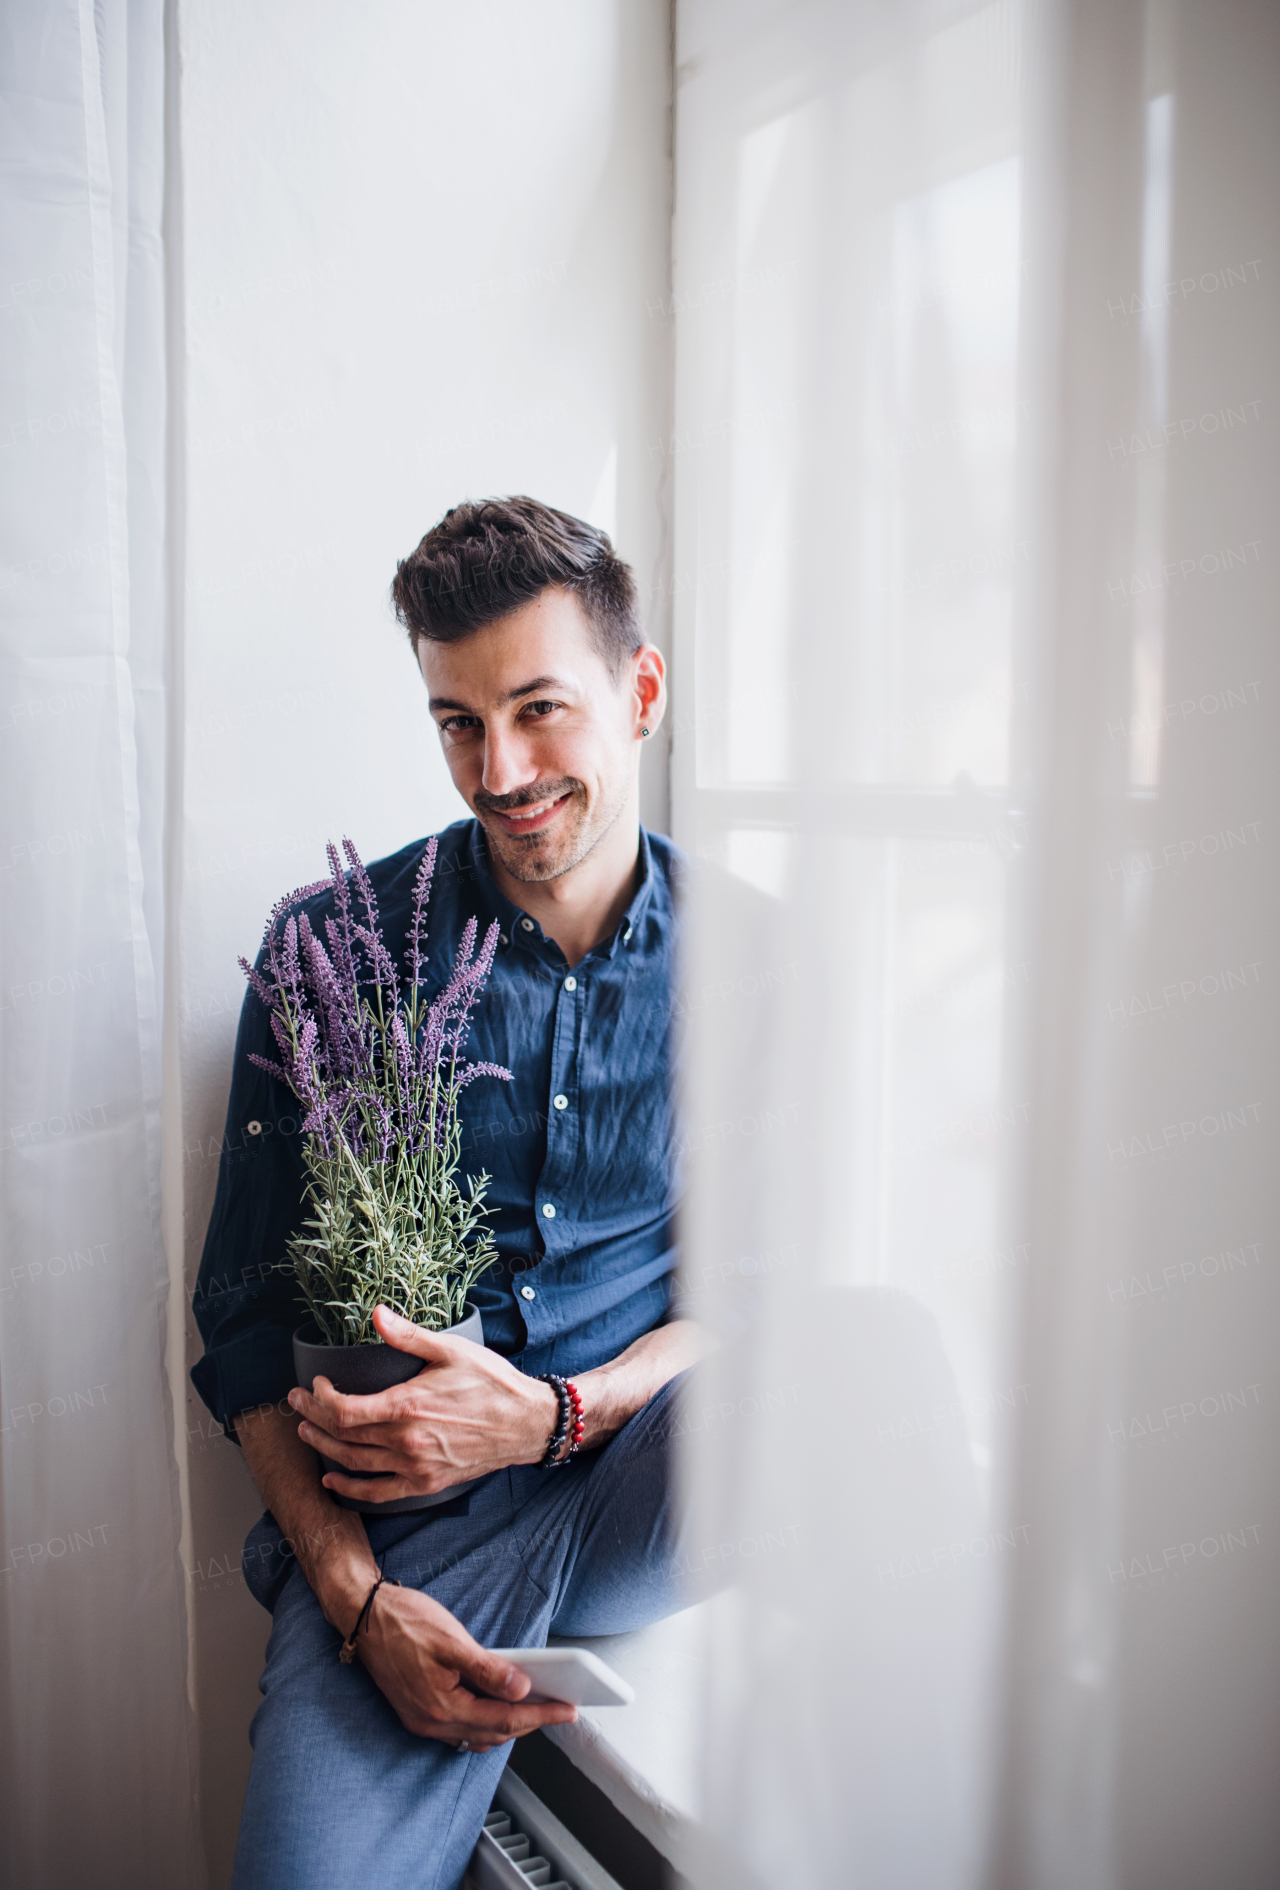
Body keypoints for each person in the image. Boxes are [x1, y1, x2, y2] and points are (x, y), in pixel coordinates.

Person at [191, 497, 701, 1890]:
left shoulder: (754, 959)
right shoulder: (327, 952)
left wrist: (553, 1413)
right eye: (459, 723)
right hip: (403, 1543)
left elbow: (761, 1299)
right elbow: (239, 1330)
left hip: (637, 1477)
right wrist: (355, 1607)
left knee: (875, 1342)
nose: (503, 767)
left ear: (640, 690)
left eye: (541, 709)